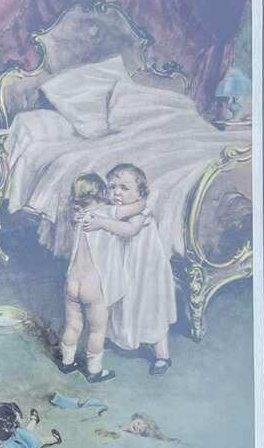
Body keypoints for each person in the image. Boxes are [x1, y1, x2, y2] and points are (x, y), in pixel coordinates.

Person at [82, 163, 176, 375]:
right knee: (121, 303)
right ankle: (119, 337)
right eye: (112, 187)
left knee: (150, 309)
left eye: (124, 188)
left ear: (139, 194)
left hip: (146, 273)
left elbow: (130, 230)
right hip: (125, 269)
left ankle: (162, 355)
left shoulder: (141, 211)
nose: (116, 192)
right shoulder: (114, 210)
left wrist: (102, 223)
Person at [59, 173, 143, 382]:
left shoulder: (77, 215)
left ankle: (67, 362)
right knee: (97, 330)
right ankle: (94, 371)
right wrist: (143, 200)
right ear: (103, 193)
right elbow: (136, 209)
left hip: (72, 282)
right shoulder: (106, 212)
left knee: (73, 325)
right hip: (93, 286)